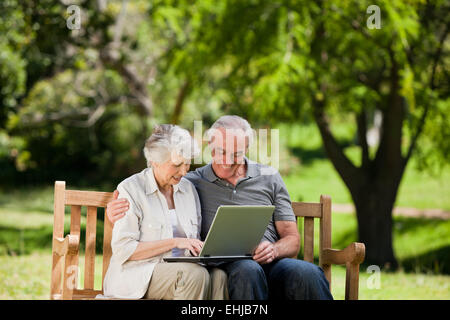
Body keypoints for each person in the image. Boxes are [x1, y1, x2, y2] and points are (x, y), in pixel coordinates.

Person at [107, 116, 333, 300]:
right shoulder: (192, 182)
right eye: (220, 151)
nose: (226, 160)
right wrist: (113, 212)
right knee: (247, 270)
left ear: (246, 149)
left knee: (307, 272)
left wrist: (274, 249)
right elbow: (152, 189)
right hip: (233, 267)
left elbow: (292, 240)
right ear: (210, 148)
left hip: (272, 262)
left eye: (235, 154)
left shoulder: (269, 177)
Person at [102, 124, 228, 299]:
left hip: (182, 272)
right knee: (193, 275)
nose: (184, 171)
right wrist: (175, 242)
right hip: (138, 277)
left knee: (219, 277)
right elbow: (124, 250)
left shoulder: (188, 189)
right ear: (155, 161)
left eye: (187, 164)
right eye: (177, 165)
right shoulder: (131, 189)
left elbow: (193, 239)